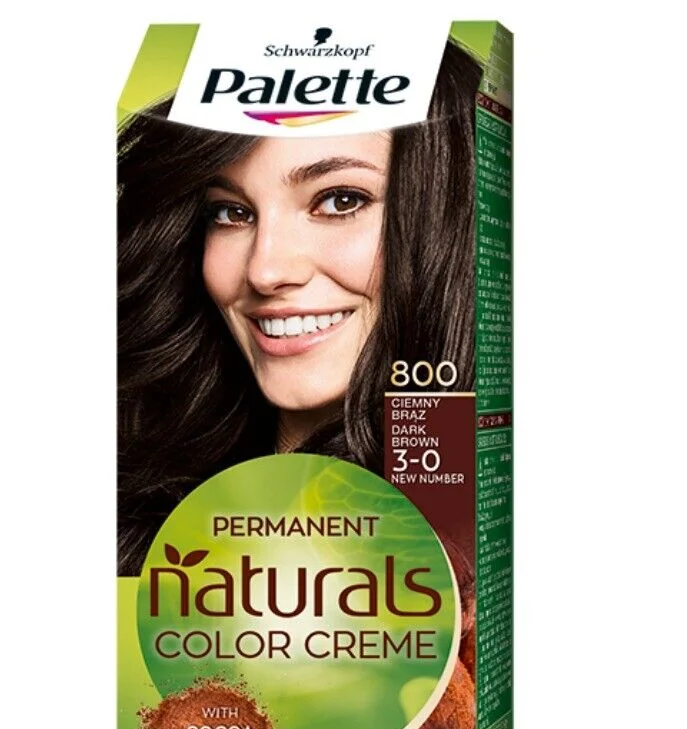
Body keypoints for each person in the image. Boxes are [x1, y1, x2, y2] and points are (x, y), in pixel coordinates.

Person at [118, 42, 482, 575]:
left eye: (340, 200)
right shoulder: (145, 498)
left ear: (451, 219)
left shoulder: (470, 534)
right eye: (231, 212)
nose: (264, 270)